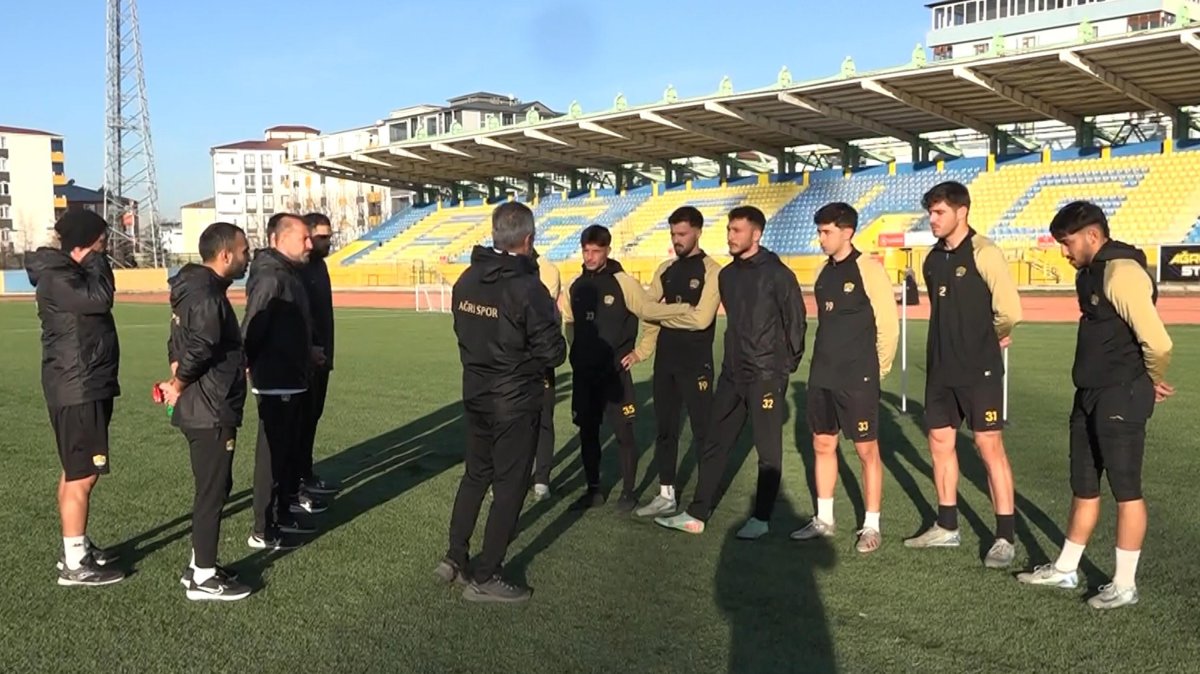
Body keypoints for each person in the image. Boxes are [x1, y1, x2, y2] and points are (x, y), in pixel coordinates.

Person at [1017, 201, 1174, 610]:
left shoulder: (1122, 273)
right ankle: (1067, 568)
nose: (1063, 252)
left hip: (1121, 394)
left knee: (1126, 491)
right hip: (1088, 394)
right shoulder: (1089, 273)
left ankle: (1124, 585)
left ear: (1092, 235)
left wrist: (1148, 380)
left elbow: (1158, 342)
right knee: (1084, 487)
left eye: (1067, 243)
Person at [434, 202, 566, 603]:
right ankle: (487, 575)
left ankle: (455, 557)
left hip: (475, 393)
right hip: (514, 400)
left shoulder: (468, 278)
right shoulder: (529, 288)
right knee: (509, 487)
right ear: (529, 239)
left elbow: (463, 332)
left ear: (495, 235)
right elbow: (554, 352)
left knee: (475, 475)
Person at [657, 206, 807, 539]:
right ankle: (696, 514)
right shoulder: (726, 275)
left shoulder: (779, 274)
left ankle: (762, 518)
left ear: (756, 234)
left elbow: (796, 323)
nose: (730, 236)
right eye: (728, 229)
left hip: (766, 375)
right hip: (732, 374)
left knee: (767, 450)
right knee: (714, 441)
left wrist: (782, 368)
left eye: (737, 230)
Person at [906, 181, 1023, 568]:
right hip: (940, 370)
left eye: (939, 212)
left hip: (980, 370)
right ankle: (947, 524)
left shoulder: (985, 253)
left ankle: (1005, 536)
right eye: (931, 213)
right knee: (940, 443)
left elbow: (1009, 311)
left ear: (962, 211)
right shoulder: (931, 259)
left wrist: (994, 337)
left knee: (989, 448)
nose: (932, 220)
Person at [560, 224, 694, 512]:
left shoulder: (623, 283)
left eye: (596, 251)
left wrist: (640, 352)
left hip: (615, 375)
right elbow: (569, 321)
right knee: (588, 433)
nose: (590, 257)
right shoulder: (576, 285)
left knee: (624, 434)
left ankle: (628, 493)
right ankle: (593, 490)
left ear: (608, 250)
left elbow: (648, 314)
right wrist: (575, 350)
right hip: (585, 376)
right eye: (586, 251)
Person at [790, 203, 898, 553]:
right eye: (819, 231)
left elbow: (888, 326)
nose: (820, 238)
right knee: (822, 444)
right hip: (822, 375)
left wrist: (877, 370)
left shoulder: (869, 270)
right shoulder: (823, 272)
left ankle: (871, 525)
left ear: (847, 232)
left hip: (858, 377)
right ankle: (824, 519)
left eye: (827, 232)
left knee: (867, 450)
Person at [26, 210, 124, 586]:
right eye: (101, 241)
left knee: (75, 469)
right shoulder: (60, 276)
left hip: (81, 381)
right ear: (86, 242)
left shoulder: (64, 273)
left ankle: (76, 545)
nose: (106, 248)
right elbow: (100, 299)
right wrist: (96, 259)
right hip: (78, 384)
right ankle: (75, 562)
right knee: (83, 474)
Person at [159, 222, 253, 601]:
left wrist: (175, 376)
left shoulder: (192, 290)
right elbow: (199, 346)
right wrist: (178, 385)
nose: (248, 258)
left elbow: (175, 341)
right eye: (244, 251)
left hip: (203, 403)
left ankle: (200, 564)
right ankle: (203, 577)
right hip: (211, 408)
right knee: (212, 492)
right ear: (226, 254)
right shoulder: (207, 296)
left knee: (215, 488)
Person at [630, 206, 722, 518]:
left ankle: (703, 498)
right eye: (672, 234)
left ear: (698, 232)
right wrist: (681, 310)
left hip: (696, 364)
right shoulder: (665, 269)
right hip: (666, 363)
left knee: (702, 432)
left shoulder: (713, 270)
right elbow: (645, 308)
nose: (676, 240)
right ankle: (666, 494)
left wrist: (666, 311)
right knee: (665, 429)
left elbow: (701, 320)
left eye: (681, 234)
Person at [242, 212, 321, 549]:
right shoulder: (271, 277)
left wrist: (307, 351)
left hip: (292, 374)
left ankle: (281, 512)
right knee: (272, 454)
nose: (310, 244)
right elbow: (253, 326)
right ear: (278, 239)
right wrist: (249, 362)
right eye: (303, 238)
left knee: (285, 450)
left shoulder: (287, 273)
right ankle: (264, 526)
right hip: (277, 378)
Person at [297, 213, 340, 497]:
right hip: (303, 362)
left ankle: (306, 473)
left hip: (322, 359)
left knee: (312, 418)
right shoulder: (297, 270)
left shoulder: (321, 267)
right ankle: (295, 481)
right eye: (322, 237)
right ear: (307, 237)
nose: (328, 242)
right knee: (298, 423)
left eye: (329, 236)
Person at [530, 246, 561, 501]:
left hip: (539, 361)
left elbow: (545, 314)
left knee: (543, 421)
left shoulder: (548, 270)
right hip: (511, 363)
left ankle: (541, 478)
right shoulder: (506, 269)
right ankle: (512, 476)